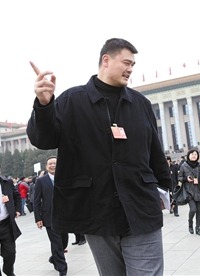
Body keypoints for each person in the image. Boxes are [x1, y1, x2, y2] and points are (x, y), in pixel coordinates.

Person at [27, 38, 171, 276]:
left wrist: (165, 189)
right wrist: (44, 104)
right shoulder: (72, 100)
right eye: (126, 62)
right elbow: (44, 140)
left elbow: (155, 152)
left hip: (141, 208)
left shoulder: (140, 104)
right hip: (96, 211)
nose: (130, 69)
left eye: (133, 64)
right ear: (106, 60)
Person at [33, 156, 68, 276]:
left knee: (64, 242)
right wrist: (38, 218)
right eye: (50, 164)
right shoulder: (41, 181)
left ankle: (54, 258)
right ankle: (63, 269)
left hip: (64, 216)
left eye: (55, 163)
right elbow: (36, 200)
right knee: (57, 243)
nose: (53, 165)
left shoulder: (64, 177)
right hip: (49, 217)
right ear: (46, 166)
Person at [178, 149, 200, 236]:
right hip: (188, 191)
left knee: (199, 210)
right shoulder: (183, 166)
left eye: (195, 154)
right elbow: (180, 178)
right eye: (192, 154)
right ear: (188, 155)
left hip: (198, 190)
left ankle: (198, 228)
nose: (194, 156)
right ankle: (190, 224)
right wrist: (186, 179)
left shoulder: (199, 166)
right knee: (193, 209)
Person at [0, 175, 22, 276]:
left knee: (10, 253)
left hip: (6, 224)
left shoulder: (6, 182)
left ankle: (8, 271)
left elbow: (16, 195)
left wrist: (17, 209)